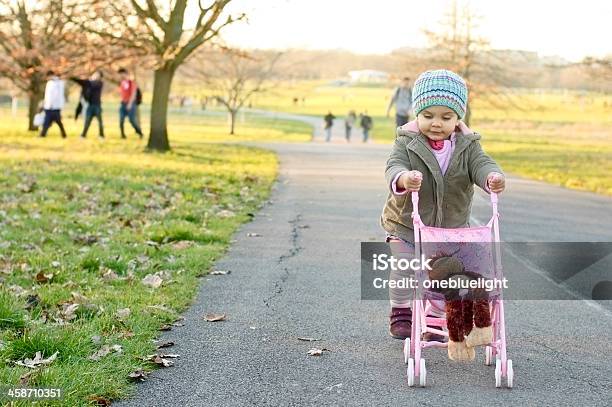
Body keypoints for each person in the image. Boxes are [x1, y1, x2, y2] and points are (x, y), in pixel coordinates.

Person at [379, 69, 505, 341]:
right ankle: (401, 311)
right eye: (428, 116)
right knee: (405, 265)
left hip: (449, 229)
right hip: (406, 224)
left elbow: (481, 165)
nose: (436, 123)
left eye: (446, 117)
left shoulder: (468, 146)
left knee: (443, 273)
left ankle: (435, 320)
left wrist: (491, 178)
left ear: (459, 117)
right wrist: (403, 178)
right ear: (417, 113)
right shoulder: (407, 141)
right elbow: (394, 165)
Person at [71, 70, 104, 139]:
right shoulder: (89, 82)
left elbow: (92, 84)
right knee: (87, 121)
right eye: (95, 74)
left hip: (97, 105)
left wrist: (90, 80)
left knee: (100, 122)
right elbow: (80, 81)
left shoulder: (100, 83)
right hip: (90, 105)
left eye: (97, 75)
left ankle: (101, 135)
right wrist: (71, 77)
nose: (95, 76)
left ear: (100, 77)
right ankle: (83, 135)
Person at [39, 70, 67, 138]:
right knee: (56, 121)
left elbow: (53, 95)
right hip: (54, 106)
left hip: (52, 106)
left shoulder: (54, 83)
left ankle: (43, 134)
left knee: (49, 121)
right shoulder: (58, 82)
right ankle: (63, 134)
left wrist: (48, 104)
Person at [117, 68, 143, 139]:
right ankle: (122, 135)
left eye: (121, 74)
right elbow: (122, 93)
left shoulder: (131, 83)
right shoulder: (122, 83)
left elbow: (133, 94)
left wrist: (130, 104)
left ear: (125, 74)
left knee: (132, 120)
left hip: (131, 104)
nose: (120, 76)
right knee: (121, 120)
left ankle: (140, 132)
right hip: (123, 103)